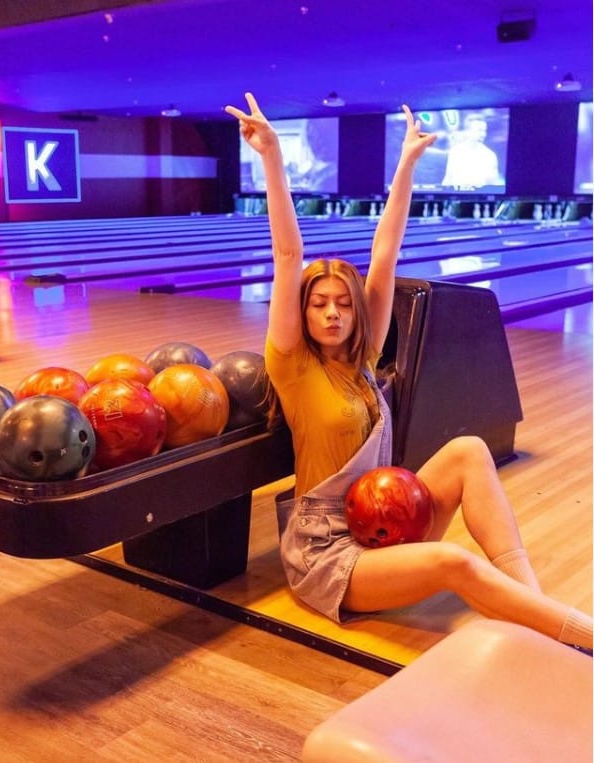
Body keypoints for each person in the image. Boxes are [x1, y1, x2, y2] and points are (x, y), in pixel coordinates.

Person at [224, 92, 593, 653]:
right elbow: (286, 252)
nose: (332, 312)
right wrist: (272, 159)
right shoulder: (293, 366)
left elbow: (384, 255)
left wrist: (406, 166)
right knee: (453, 561)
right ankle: (573, 632)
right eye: (319, 303)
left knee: (469, 449)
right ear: (303, 312)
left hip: (384, 517)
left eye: (343, 304)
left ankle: (535, 612)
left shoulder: (364, 358)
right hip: (328, 550)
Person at [441, 112, 503, 189]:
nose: (483, 134)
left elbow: (494, 186)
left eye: (484, 131)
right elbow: (448, 180)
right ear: (468, 131)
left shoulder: (490, 156)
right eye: (479, 130)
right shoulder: (455, 152)